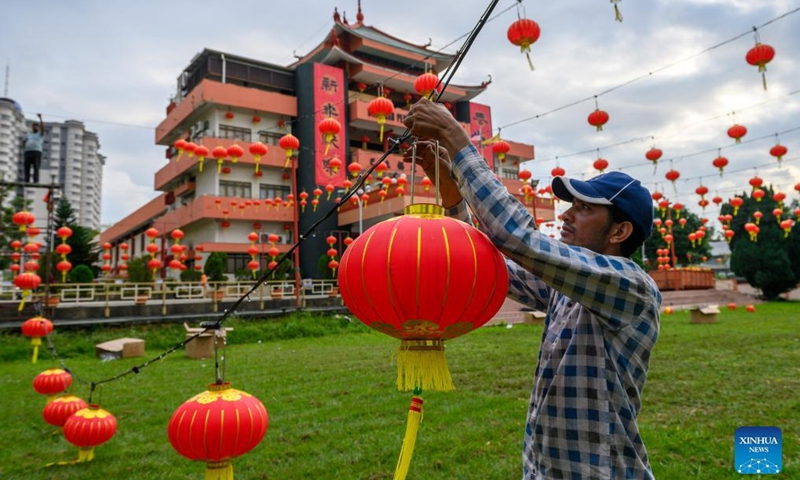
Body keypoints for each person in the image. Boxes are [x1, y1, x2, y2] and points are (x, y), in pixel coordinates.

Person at [403, 98, 661, 480]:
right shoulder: (568, 288)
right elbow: (486, 267)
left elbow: (519, 239)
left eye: (585, 208)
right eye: (571, 204)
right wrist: (453, 196)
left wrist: (456, 139)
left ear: (620, 232)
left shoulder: (631, 287)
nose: (567, 214)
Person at [22, 113, 45, 183]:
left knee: (36, 166)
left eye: (36, 127)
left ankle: (36, 180)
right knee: (27, 166)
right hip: (28, 151)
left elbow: (43, 128)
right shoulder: (28, 134)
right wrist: (24, 144)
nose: (34, 128)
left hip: (36, 151)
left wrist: (40, 118)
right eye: (33, 127)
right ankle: (27, 179)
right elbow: (24, 140)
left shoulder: (40, 134)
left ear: (38, 128)